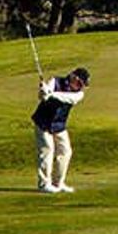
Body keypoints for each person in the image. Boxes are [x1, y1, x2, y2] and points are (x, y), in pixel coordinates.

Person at [32, 66, 89, 194]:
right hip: (43, 123)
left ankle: (58, 183)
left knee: (66, 151)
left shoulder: (78, 94)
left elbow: (67, 98)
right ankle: (44, 184)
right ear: (74, 77)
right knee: (47, 150)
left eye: (83, 85)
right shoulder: (55, 81)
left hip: (59, 125)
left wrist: (51, 95)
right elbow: (42, 96)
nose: (81, 87)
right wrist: (43, 92)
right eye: (80, 83)